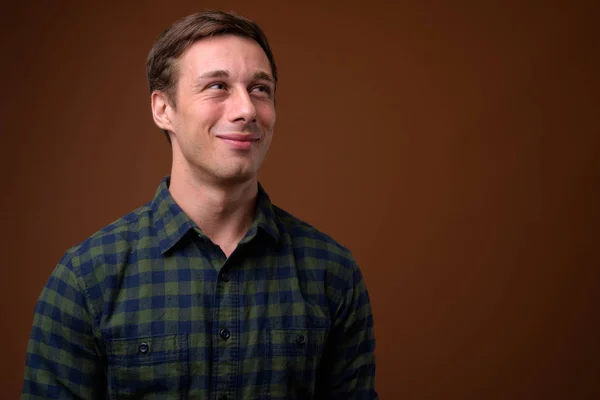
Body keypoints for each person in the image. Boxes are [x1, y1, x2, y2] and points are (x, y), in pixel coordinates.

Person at [21, 10, 377, 399]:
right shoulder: (86, 279)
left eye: (260, 89)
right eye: (217, 87)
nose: (246, 109)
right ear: (163, 109)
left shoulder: (332, 273)